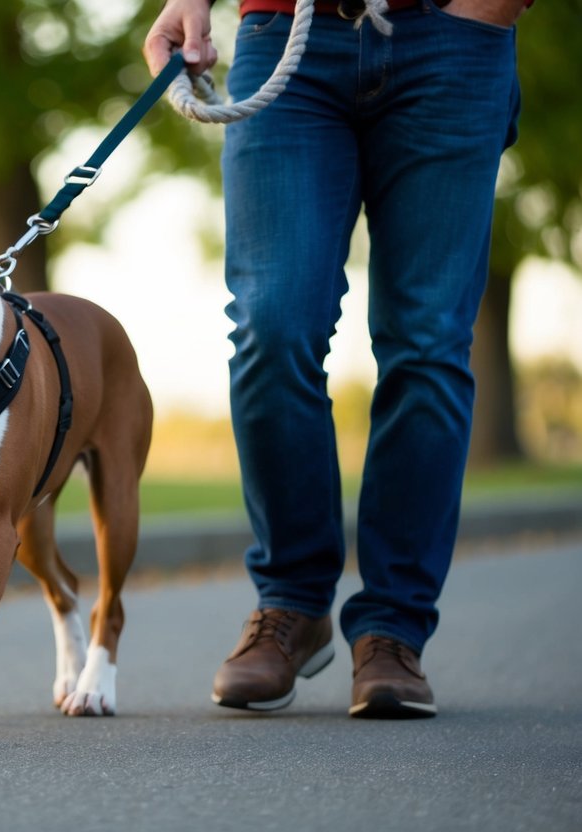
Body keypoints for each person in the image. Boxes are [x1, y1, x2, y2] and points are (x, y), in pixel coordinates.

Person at [144, 0, 527, 718]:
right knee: (271, 323)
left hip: (455, 38)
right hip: (283, 32)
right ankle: (290, 604)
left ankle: (391, 628)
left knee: (427, 341)